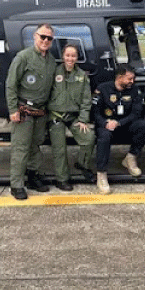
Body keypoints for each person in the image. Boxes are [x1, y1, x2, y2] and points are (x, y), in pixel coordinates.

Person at [6, 24, 56, 200]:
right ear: (35, 36)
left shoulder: (51, 60)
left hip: (40, 111)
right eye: (42, 37)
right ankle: (16, 184)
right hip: (24, 109)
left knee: (35, 144)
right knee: (21, 148)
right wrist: (13, 109)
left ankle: (33, 176)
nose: (45, 41)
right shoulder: (23, 57)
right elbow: (11, 84)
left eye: (49, 38)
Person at [93, 64, 145, 194]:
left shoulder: (134, 90)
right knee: (104, 137)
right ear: (119, 77)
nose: (132, 81)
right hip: (106, 126)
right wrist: (105, 123)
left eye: (133, 79)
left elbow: (136, 113)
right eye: (129, 78)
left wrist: (118, 123)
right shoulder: (103, 89)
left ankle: (130, 158)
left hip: (124, 125)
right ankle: (101, 174)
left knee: (143, 125)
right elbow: (95, 113)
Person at [47, 44, 96, 191]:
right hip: (55, 116)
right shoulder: (53, 73)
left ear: (77, 57)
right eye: (67, 55)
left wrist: (83, 119)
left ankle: (82, 164)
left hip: (73, 117)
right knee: (59, 148)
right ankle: (62, 179)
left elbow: (86, 100)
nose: (70, 58)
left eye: (73, 56)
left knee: (89, 138)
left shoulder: (82, 76)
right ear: (63, 56)